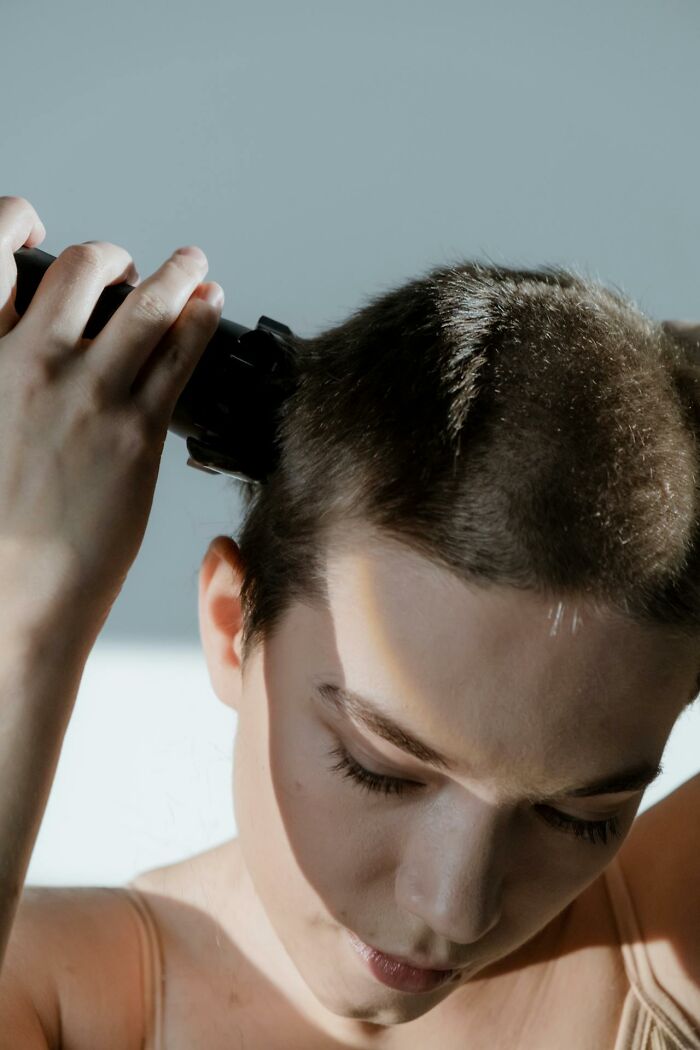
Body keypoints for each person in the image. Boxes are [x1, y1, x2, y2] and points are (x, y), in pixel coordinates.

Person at [0, 193, 698, 1050]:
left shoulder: (673, 953)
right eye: (380, 769)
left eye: (580, 816)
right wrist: (28, 597)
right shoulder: (53, 997)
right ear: (231, 624)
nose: (455, 907)